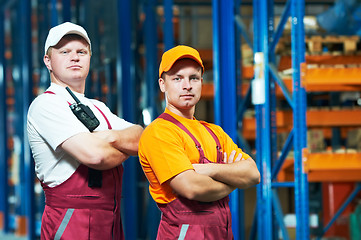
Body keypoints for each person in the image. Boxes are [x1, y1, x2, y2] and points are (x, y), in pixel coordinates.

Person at [27, 22, 143, 240]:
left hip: (110, 221)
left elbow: (141, 137)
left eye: (81, 51)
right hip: (71, 224)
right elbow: (96, 156)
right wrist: (121, 144)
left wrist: (107, 137)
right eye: (65, 52)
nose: (75, 57)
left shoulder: (99, 107)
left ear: (90, 57)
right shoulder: (46, 105)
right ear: (48, 61)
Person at [138, 45, 260, 239]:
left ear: (201, 82)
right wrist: (232, 181)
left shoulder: (215, 132)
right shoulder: (159, 132)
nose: (187, 85)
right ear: (162, 84)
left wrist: (211, 170)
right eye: (177, 78)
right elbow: (192, 187)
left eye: (193, 78)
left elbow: (253, 174)